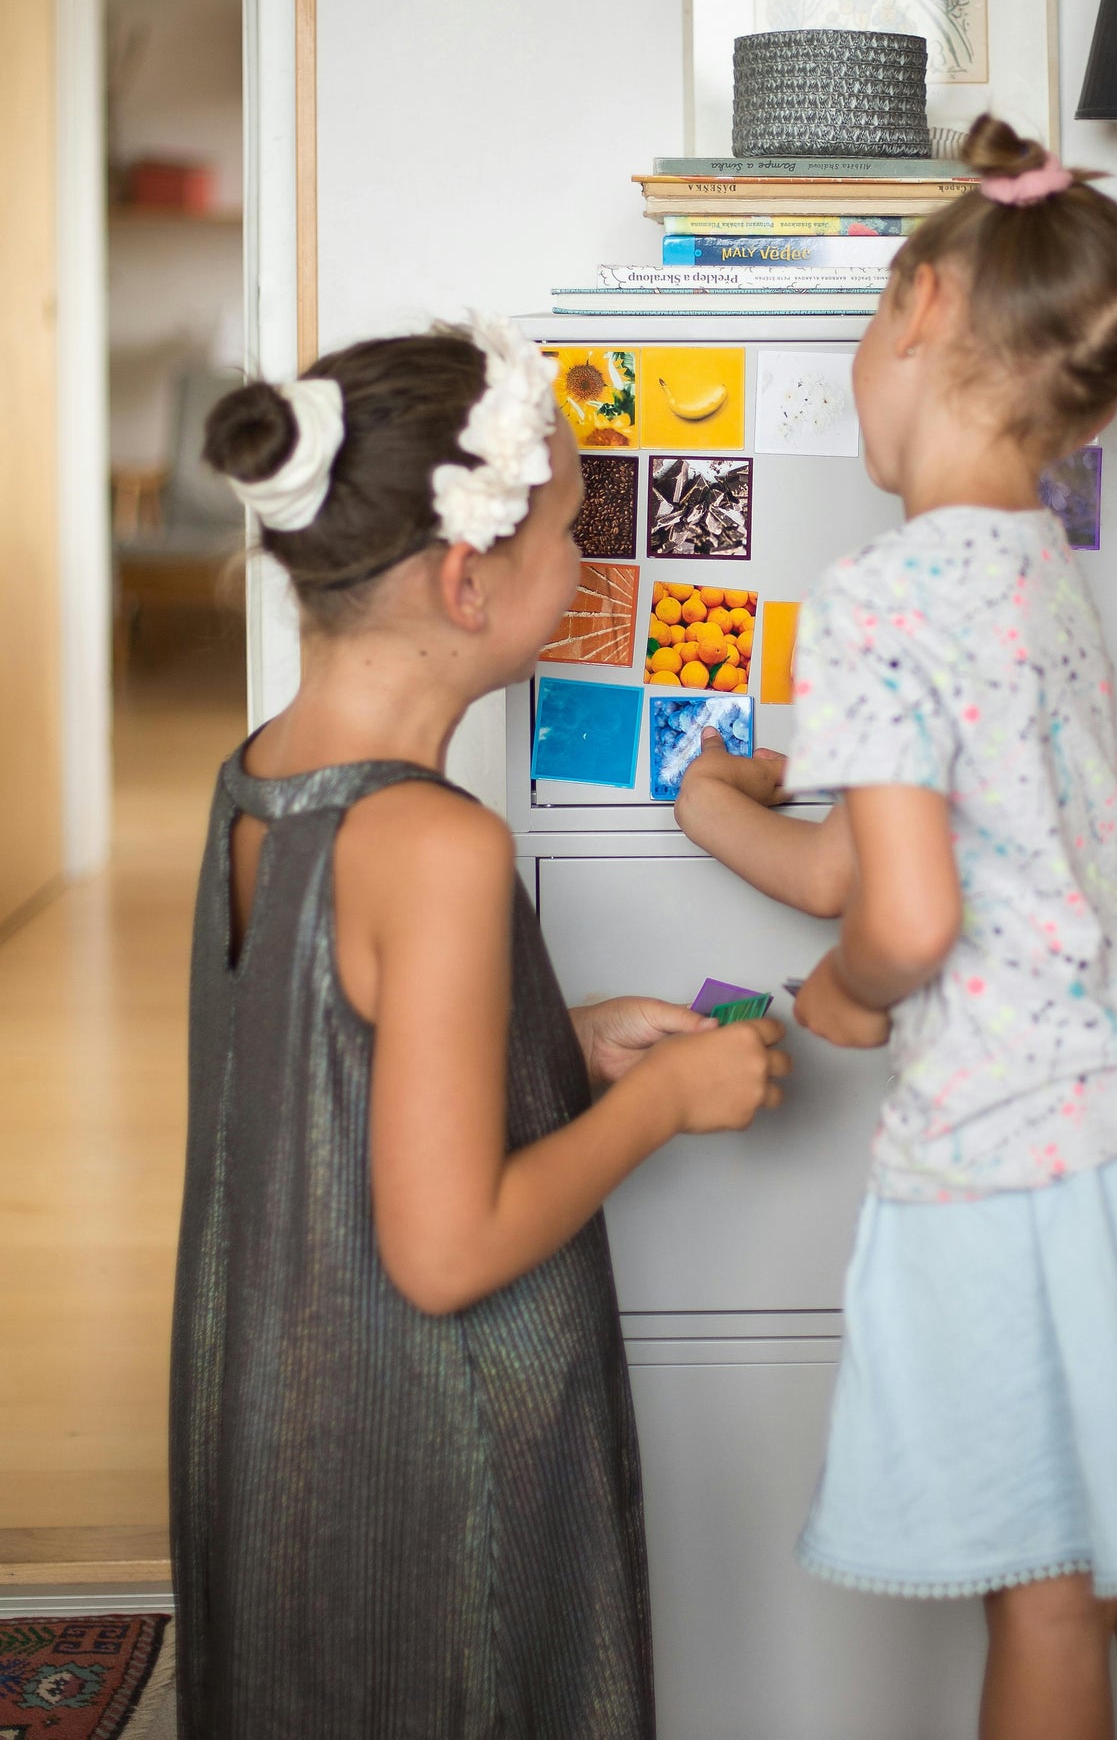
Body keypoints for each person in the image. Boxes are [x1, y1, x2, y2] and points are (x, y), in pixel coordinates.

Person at [674, 116, 1117, 1740]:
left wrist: (844, 1000)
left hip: (1007, 1161)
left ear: (914, 306)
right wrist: (723, 811)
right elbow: (861, 861)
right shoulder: (1036, 566)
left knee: (1041, 1591)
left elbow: (898, 912)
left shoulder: (876, 594)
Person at [170, 319, 790, 1740]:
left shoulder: (258, 780)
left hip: (285, 1433)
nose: (587, 565)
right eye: (572, 532)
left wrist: (553, 1046)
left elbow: (320, 1065)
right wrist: (665, 1102)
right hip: (434, 1471)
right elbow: (445, 1253)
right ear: (466, 581)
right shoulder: (440, 847)